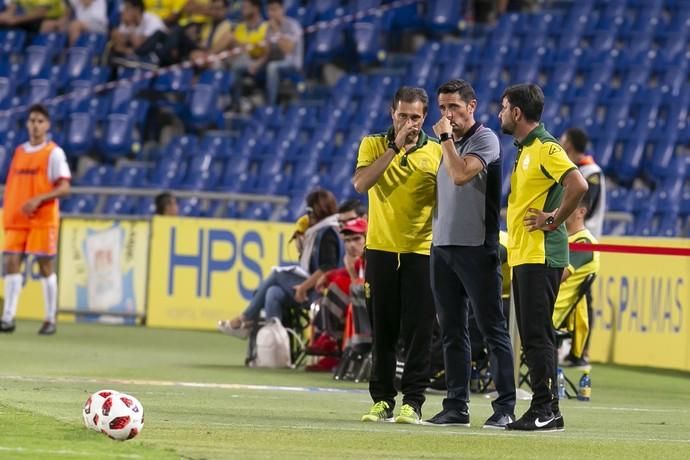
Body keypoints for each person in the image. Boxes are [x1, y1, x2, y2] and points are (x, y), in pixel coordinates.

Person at [425, 79, 516, 429]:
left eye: (455, 108)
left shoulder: (485, 139)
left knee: (492, 328)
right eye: (443, 108)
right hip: (443, 245)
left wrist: (446, 139)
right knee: (450, 330)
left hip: (477, 248)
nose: (448, 115)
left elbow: (461, 175)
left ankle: (505, 405)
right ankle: (456, 405)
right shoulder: (443, 144)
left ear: (472, 106)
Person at [498, 83, 588, 431]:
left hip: (540, 254)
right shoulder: (527, 148)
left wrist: (552, 220)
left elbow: (578, 185)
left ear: (517, 113)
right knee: (535, 333)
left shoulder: (546, 148)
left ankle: (544, 409)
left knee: (537, 334)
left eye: (504, 107)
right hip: (526, 254)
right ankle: (547, 408)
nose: (500, 114)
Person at [352, 86, 441, 424]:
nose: (409, 122)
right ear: (392, 113)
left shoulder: (437, 152)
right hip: (380, 249)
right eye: (403, 115)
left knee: (420, 330)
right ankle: (383, 400)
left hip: (421, 251)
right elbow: (361, 184)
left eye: (416, 117)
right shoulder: (373, 144)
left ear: (425, 117)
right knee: (384, 329)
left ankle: (413, 402)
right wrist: (394, 147)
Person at [217, 188, 342, 338]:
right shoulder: (320, 231)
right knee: (273, 293)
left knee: (278, 274)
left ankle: (245, 319)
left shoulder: (327, 233)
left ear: (314, 212)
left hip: (323, 291)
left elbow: (327, 269)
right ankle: (274, 342)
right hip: (315, 287)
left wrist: (303, 287)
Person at [0, 104, 71, 335]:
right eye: (32, 120)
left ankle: (50, 318)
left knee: (45, 265)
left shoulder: (54, 153)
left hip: (42, 217)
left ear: (47, 125)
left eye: (40, 121)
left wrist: (39, 199)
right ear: (27, 124)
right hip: (17, 217)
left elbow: (64, 187)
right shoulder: (19, 151)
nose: (36, 125)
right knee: (11, 262)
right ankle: (8, 317)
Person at [553, 196, 599, 367]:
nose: (560, 210)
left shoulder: (584, 244)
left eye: (567, 205)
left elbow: (556, 278)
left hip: (550, 310)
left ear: (581, 212)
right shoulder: (563, 238)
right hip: (539, 303)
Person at [560, 127, 606, 238]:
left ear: (568, 144)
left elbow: (586, 206)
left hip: (585, 235)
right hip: (568, 234)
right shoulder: (568, 169)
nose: (559, 143)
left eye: (561, 140)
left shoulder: (592, 172)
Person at [261, 0, 303, 105]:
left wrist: (276, 30)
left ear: (282, 10)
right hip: (275, 60)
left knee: (272, 67)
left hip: (292, 63)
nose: (271, 13)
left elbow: (288, 50)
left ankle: (271, 105)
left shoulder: (292, 25)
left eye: (274, 10)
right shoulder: (268, 27)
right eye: (269, 10)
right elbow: (267, 51)